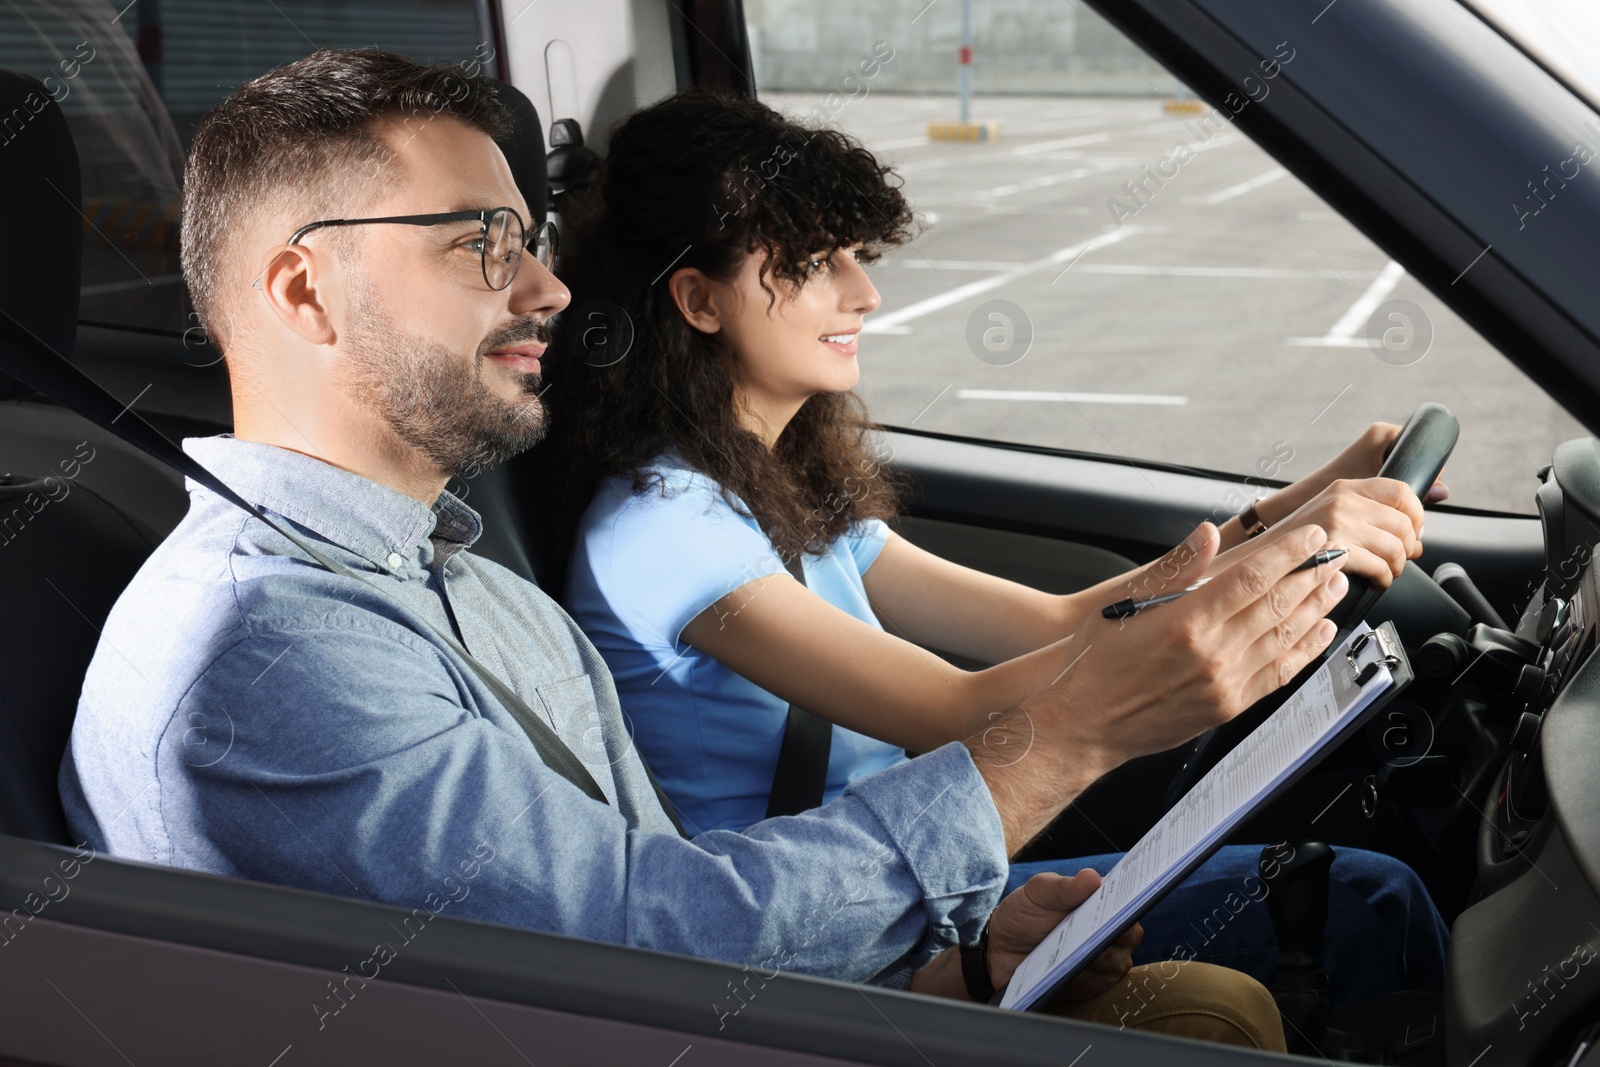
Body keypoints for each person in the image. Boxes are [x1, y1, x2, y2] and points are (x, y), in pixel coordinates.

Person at [57, 49, 1350, 1050]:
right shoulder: (262, 650)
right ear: (300, 292)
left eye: (534, 242)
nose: (549, 289)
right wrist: (1075, 737)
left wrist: (956, 953)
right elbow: (631, 956)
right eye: (478, 245)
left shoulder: (458, 580)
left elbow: (651, 891)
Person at [542, 90, 1449, 1004]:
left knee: (1358, 891)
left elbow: (1058, 622)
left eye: (856, 255)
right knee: (1368, 902)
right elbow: (958, 710)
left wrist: (1301, 511)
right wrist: (1271, 570)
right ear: (698, 300)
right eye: (817, 263)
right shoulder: (662, 528)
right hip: (820, 943)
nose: (865, 291)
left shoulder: (779, 486)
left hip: (916, 891)